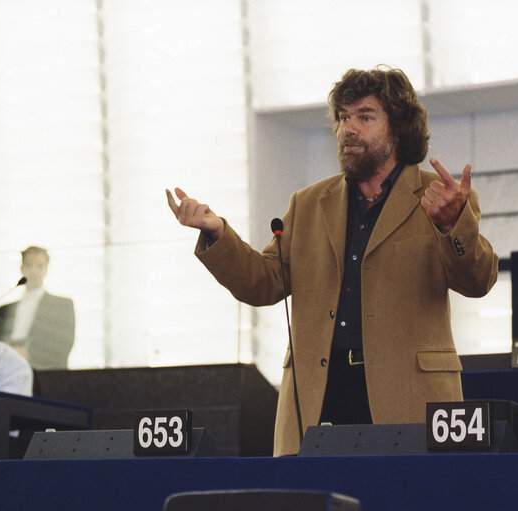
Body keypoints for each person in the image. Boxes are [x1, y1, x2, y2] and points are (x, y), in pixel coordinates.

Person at [165, 66, 498, 456]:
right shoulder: (307, 204)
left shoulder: (441, 198)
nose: (348, 129)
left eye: (365, 117)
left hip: (407, 394)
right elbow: (263, 282)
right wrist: (217, 231)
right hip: (320, 393)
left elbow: (479, 280)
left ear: (398, 128)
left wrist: (452, 225)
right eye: (343, 118)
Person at [0, 246, 76, 370]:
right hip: (8, 371)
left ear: (46, 270)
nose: (34, 271)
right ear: (22, 268)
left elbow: (64, 344)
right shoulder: (5, 310)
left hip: (45, 374)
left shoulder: (62, 305)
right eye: (29, 265)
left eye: (39, 266)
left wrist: (29, 354)